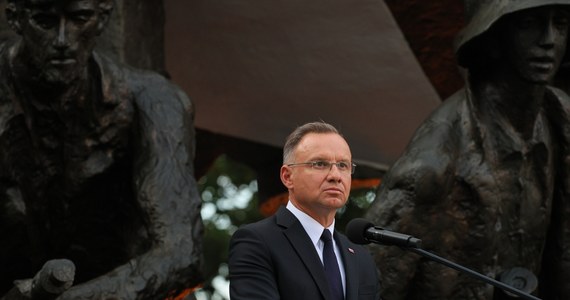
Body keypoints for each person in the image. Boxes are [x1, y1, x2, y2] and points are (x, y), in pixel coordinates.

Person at [364, 1, 570, 299]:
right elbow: (365, 287)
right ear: (494, 35)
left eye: (561, 23)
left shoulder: (559, 121)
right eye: (528, 24)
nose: (549, 39)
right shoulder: (430, 169)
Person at [0, 0, 203, 299]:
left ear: (103, 17)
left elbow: (181, 252)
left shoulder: (154, 100)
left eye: (80, 18)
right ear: (15, 19)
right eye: (43, 20)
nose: (62, 41)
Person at [228, 121, 380, 300]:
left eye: (343, 165)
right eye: (320, 164)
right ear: (287, 176)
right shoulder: (257, 242)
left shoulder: (360, 256)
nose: (335, 176)